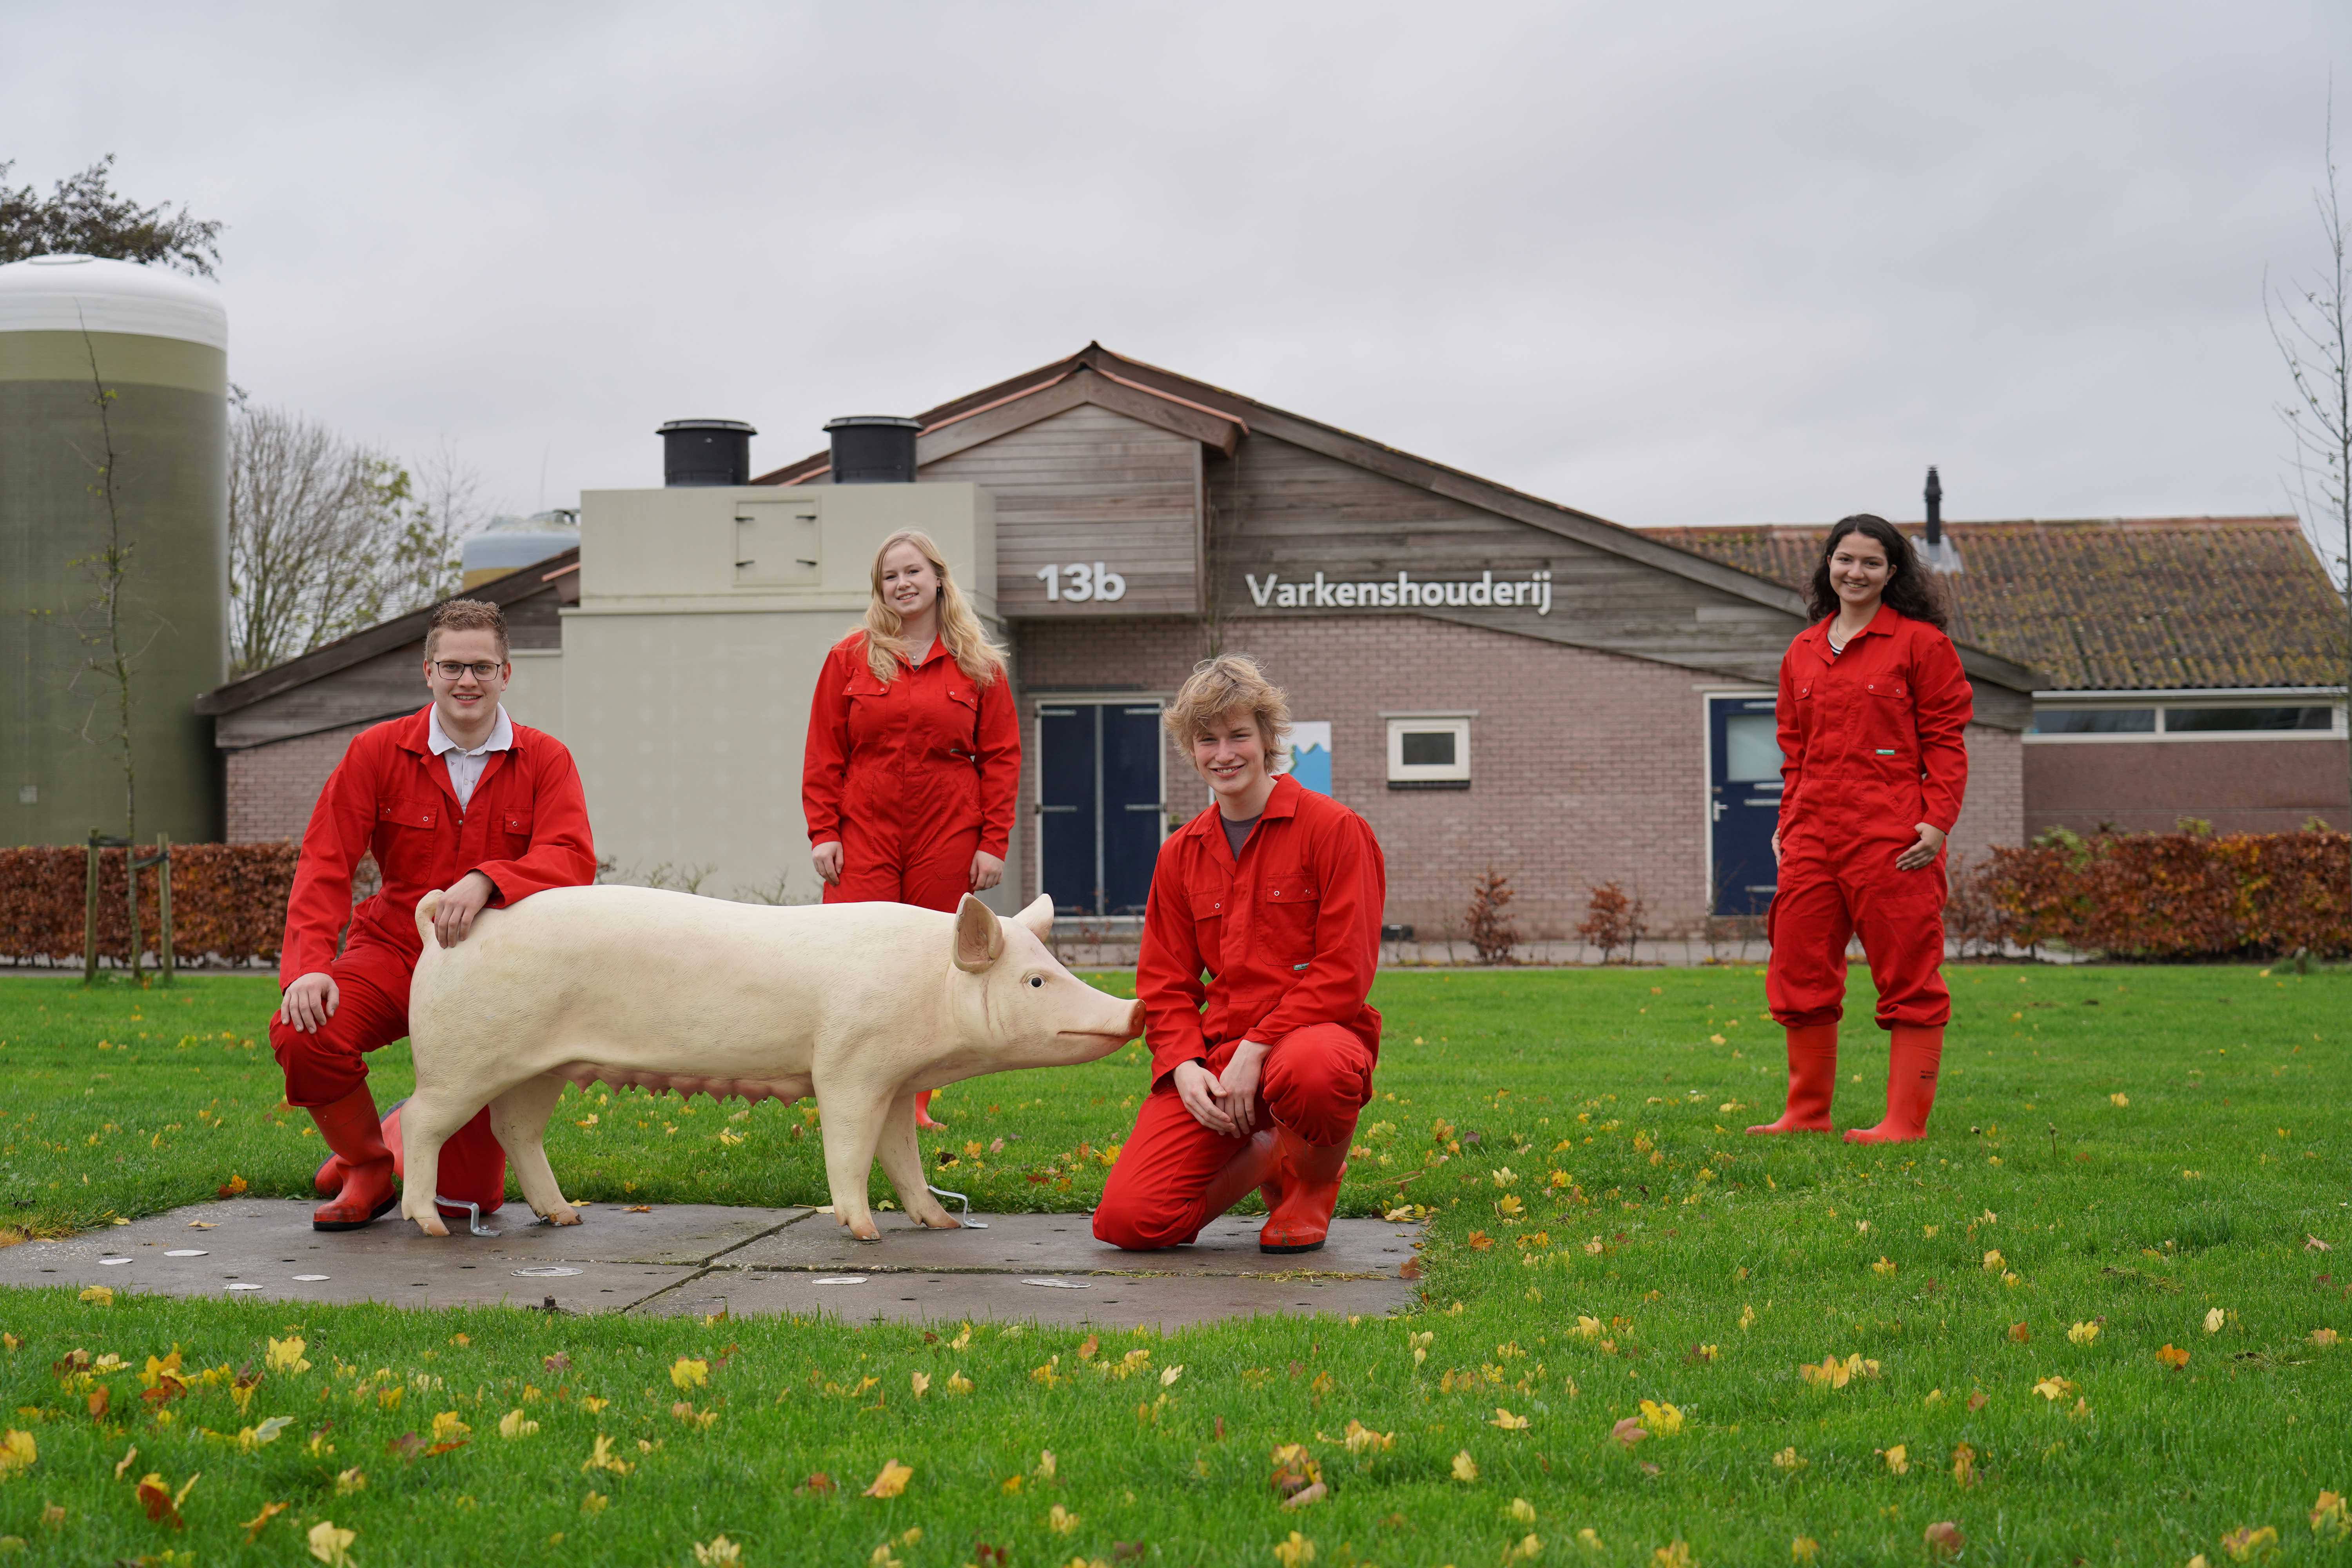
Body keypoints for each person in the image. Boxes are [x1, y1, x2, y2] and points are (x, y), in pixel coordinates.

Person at [281, 600, 597, 1229]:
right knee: (305, 1032)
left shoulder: (546, 760)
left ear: (506, 674)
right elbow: (325, 862)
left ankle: (404, 1126)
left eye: (482, 667)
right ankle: (367, 1165)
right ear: (428, 671)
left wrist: (488, 879)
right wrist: (307, 968)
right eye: (452, 666)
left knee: (468, 1205)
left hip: (490, 981)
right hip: (395, 952)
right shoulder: (375, 752)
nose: (467, 682)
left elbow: (572, 859)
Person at [1093, 655, 1386, 1255]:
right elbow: (1165, 982)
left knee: (1314, 1071)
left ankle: (1311, 1184)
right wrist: (1184, 1066)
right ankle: (1269, 1156)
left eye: (1238, 736)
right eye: (1207, 740)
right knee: (1129, 1223)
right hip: (1219, 1057)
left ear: (1269, 739)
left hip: (1312, 1039)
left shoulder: (1334, 830)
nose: (1224, 754)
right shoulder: (1180, 853)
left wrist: (1260, 1044)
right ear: (1190, 748)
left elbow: (1345, 973)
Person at [1748, 514, 1970, 1145]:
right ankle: (1806, 1114)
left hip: (1893, 837)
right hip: (1812, 836)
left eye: (1872, 563)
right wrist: (1787, 820)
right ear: (1828, 565)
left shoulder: (1921, 646)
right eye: (1845, 559)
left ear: (1892, 573)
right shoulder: (1803, 651)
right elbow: (1794, 749)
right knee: (1800, 968)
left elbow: (1946, 742)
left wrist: (1936, 821)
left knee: (1909, 974)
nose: (1856, 572)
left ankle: (1904, 1123)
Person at [802, 529, 1019, 1131]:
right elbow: (825, 750)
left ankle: (915, 1102)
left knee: (935, 959)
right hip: (863, 826)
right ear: (879, 590)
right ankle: (845, 1089)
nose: (902, 584)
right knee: (853, 957)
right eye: (890, 576)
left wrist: (991, 843)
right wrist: (825, 830)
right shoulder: (849, 656)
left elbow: (1001, 757)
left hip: (948, 827)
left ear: (939, 579)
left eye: (913, 572)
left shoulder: (979, 663)